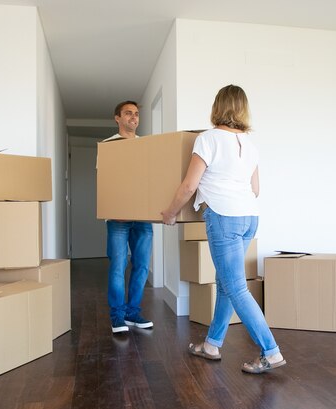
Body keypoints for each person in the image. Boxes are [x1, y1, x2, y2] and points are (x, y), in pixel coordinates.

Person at [161, 85, 286, 374]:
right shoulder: (250, 145)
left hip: (224, 218)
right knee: (227, 283)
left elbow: (189, 186)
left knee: (235, 287)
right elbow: (255, 188)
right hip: (248, 218)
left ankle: (271, 351)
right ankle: (212, 344)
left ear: (217, 107)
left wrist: (170, 213)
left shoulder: (208, 139)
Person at [103, 100, 154, 334]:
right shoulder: (108, 146)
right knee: (118, 266)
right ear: (117, 118)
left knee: (142, 266)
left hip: (143, 216)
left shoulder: (147, 146)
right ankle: (117, 315)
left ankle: (133, 312)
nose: (133, 117)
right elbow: (104, 182)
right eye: (128, 113)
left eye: (136, 114)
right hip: (117, 218)